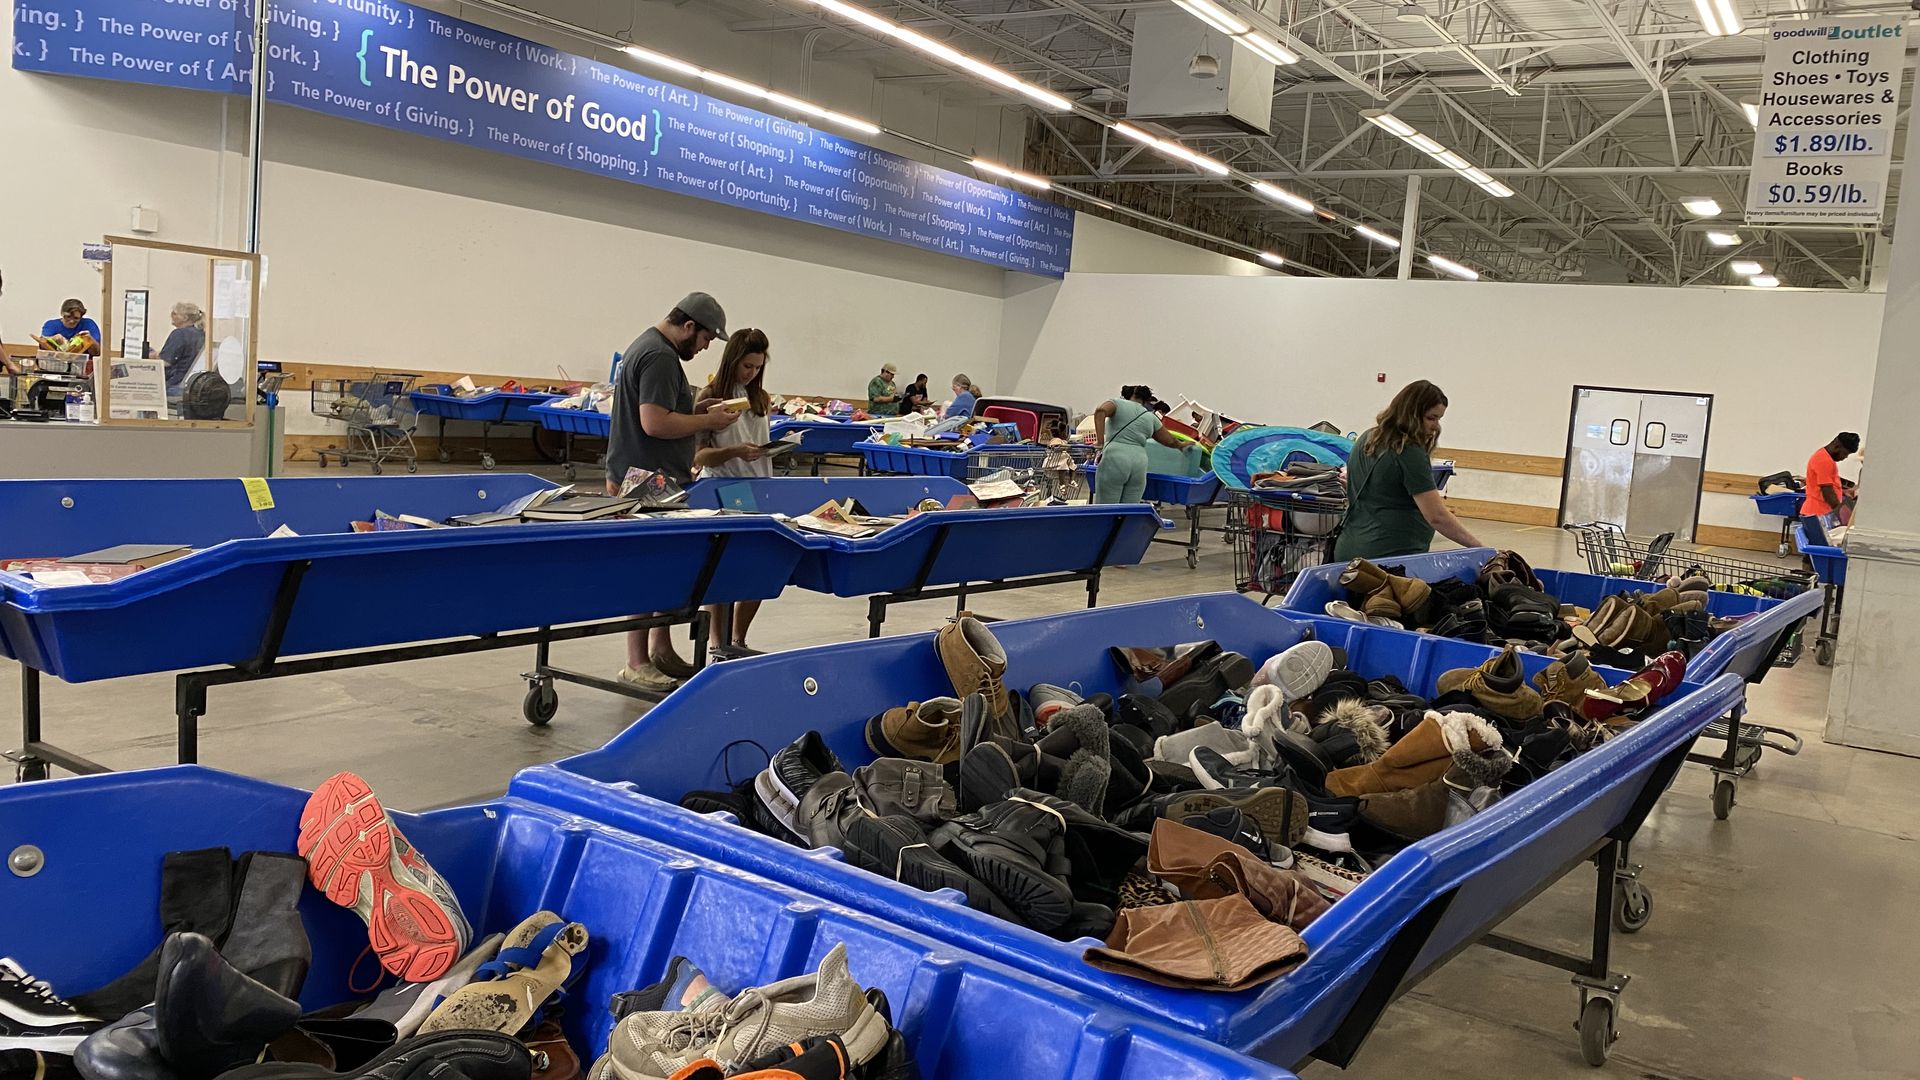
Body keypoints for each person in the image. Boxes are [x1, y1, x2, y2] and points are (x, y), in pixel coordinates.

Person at [606, 291, 740, 692]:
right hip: (647, 479)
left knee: (660, 569)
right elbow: (654, 423)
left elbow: (661, 413)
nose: (703, 348)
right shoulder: (661, 356)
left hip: (650, 475)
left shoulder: (648, 347)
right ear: (688, 327)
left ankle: (659, 649)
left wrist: (698, 411)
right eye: (704, 340)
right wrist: (705, 422)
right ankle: (636, 661)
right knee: (644, 571)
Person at [694, 328, 776, 660]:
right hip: (727, 487)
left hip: (760, 485)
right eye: (747, 367)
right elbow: (699, 457)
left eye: (757, 368)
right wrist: (734, 452)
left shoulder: (761, 398)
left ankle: (739, 639)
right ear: (732, 362)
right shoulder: (709, 397)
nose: (752, 373)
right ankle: (718, 641)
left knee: (760, 567)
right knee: (726, 568)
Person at [1334, 379, 1481, 560]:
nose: (1436, 426)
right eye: (1431, 418)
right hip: (1388, 557)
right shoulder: (1408, 451)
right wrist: (1481, 549)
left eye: (1439, 419)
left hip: (1349, 549)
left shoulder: (1367, 438)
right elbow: (1436, 516)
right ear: (1410, 415)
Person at [1091, 384, 1185, 504]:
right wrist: (1182, 445)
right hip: (1139, 464)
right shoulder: (1151, 418)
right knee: (1130, 511)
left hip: (1115, 458)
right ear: (1146, 400)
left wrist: (1100, 442)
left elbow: (1100, 411)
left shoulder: (1118, 404)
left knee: (1106, 508)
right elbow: (1170, 441)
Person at [1799, 431, 1860, 546]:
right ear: (1837, 446)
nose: (1844, 458)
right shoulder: (1824, 461)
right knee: (1818, 554)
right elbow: (1827, 492)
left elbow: (1829, 485)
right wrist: (1843, 515)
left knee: (1815, 555)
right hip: (1818, 514)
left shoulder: (1824, 457)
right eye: (1845, 454)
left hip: (1817, 513)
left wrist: (1844, 492)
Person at [158, 301, 207, 412]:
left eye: (175, 313)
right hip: (192, 386)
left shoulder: (179, 334)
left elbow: (166, 362)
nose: (171, 315)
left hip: (175, 385)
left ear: (185, 318)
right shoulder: (201, 334)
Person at [37, 299, 102, 356]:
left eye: (76, 318)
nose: (71, 321)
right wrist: (53, 339)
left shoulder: (88, 324)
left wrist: (90, 339)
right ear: (62, 314)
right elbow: (43, 347)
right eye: (68, 317)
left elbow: (97, 353)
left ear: (81, 317)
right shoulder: (51, 325)